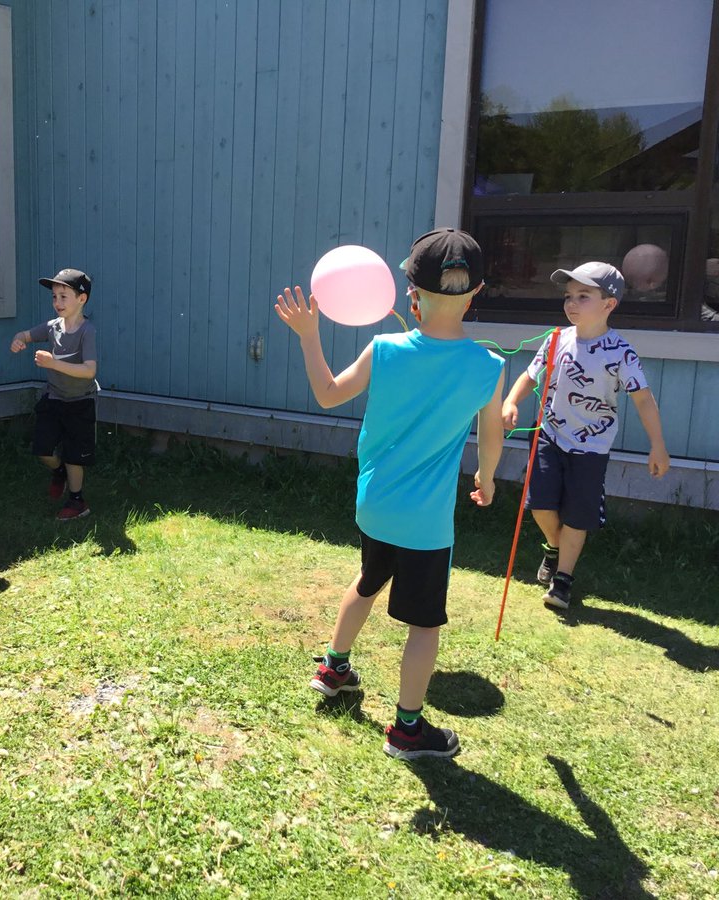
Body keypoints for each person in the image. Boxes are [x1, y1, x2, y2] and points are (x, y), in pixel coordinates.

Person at [277, 228, 505, 760]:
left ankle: (333, 669)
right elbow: (491, 438)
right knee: (424, 624)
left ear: (411, 294)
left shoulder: (383, 349)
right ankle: (407, 730)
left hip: (375, 505)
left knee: (369, 577)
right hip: (425, 523)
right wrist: (487, 478)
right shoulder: (488, 367)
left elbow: (328, 394)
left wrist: (309, 334)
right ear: (475, 295)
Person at [502, 262, 670, 611]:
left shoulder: (621, 353)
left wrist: (658, 445)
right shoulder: (556, 340)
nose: (571, 303)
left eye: (583, 296)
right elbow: (530, 376)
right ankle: (553, 545)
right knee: (541, 506)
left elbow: (643, 399)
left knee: (578, 514)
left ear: (609, 304)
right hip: (550, 435)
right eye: (568, 296)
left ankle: (562, 580)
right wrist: (511, 401)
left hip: (592, 445)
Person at [10, 268, 98, 521]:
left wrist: (53, 364)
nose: (57, 302)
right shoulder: (51, 328)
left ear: (82, 299)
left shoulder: (87, 331)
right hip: (54, 399)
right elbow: (24, 335)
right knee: (43, 450)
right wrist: (19, 340)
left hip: (80, 403)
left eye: (63, 296)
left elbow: (89, 371)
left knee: (74, 456)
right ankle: (58, 472)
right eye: (54, 297)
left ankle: (77, 500)